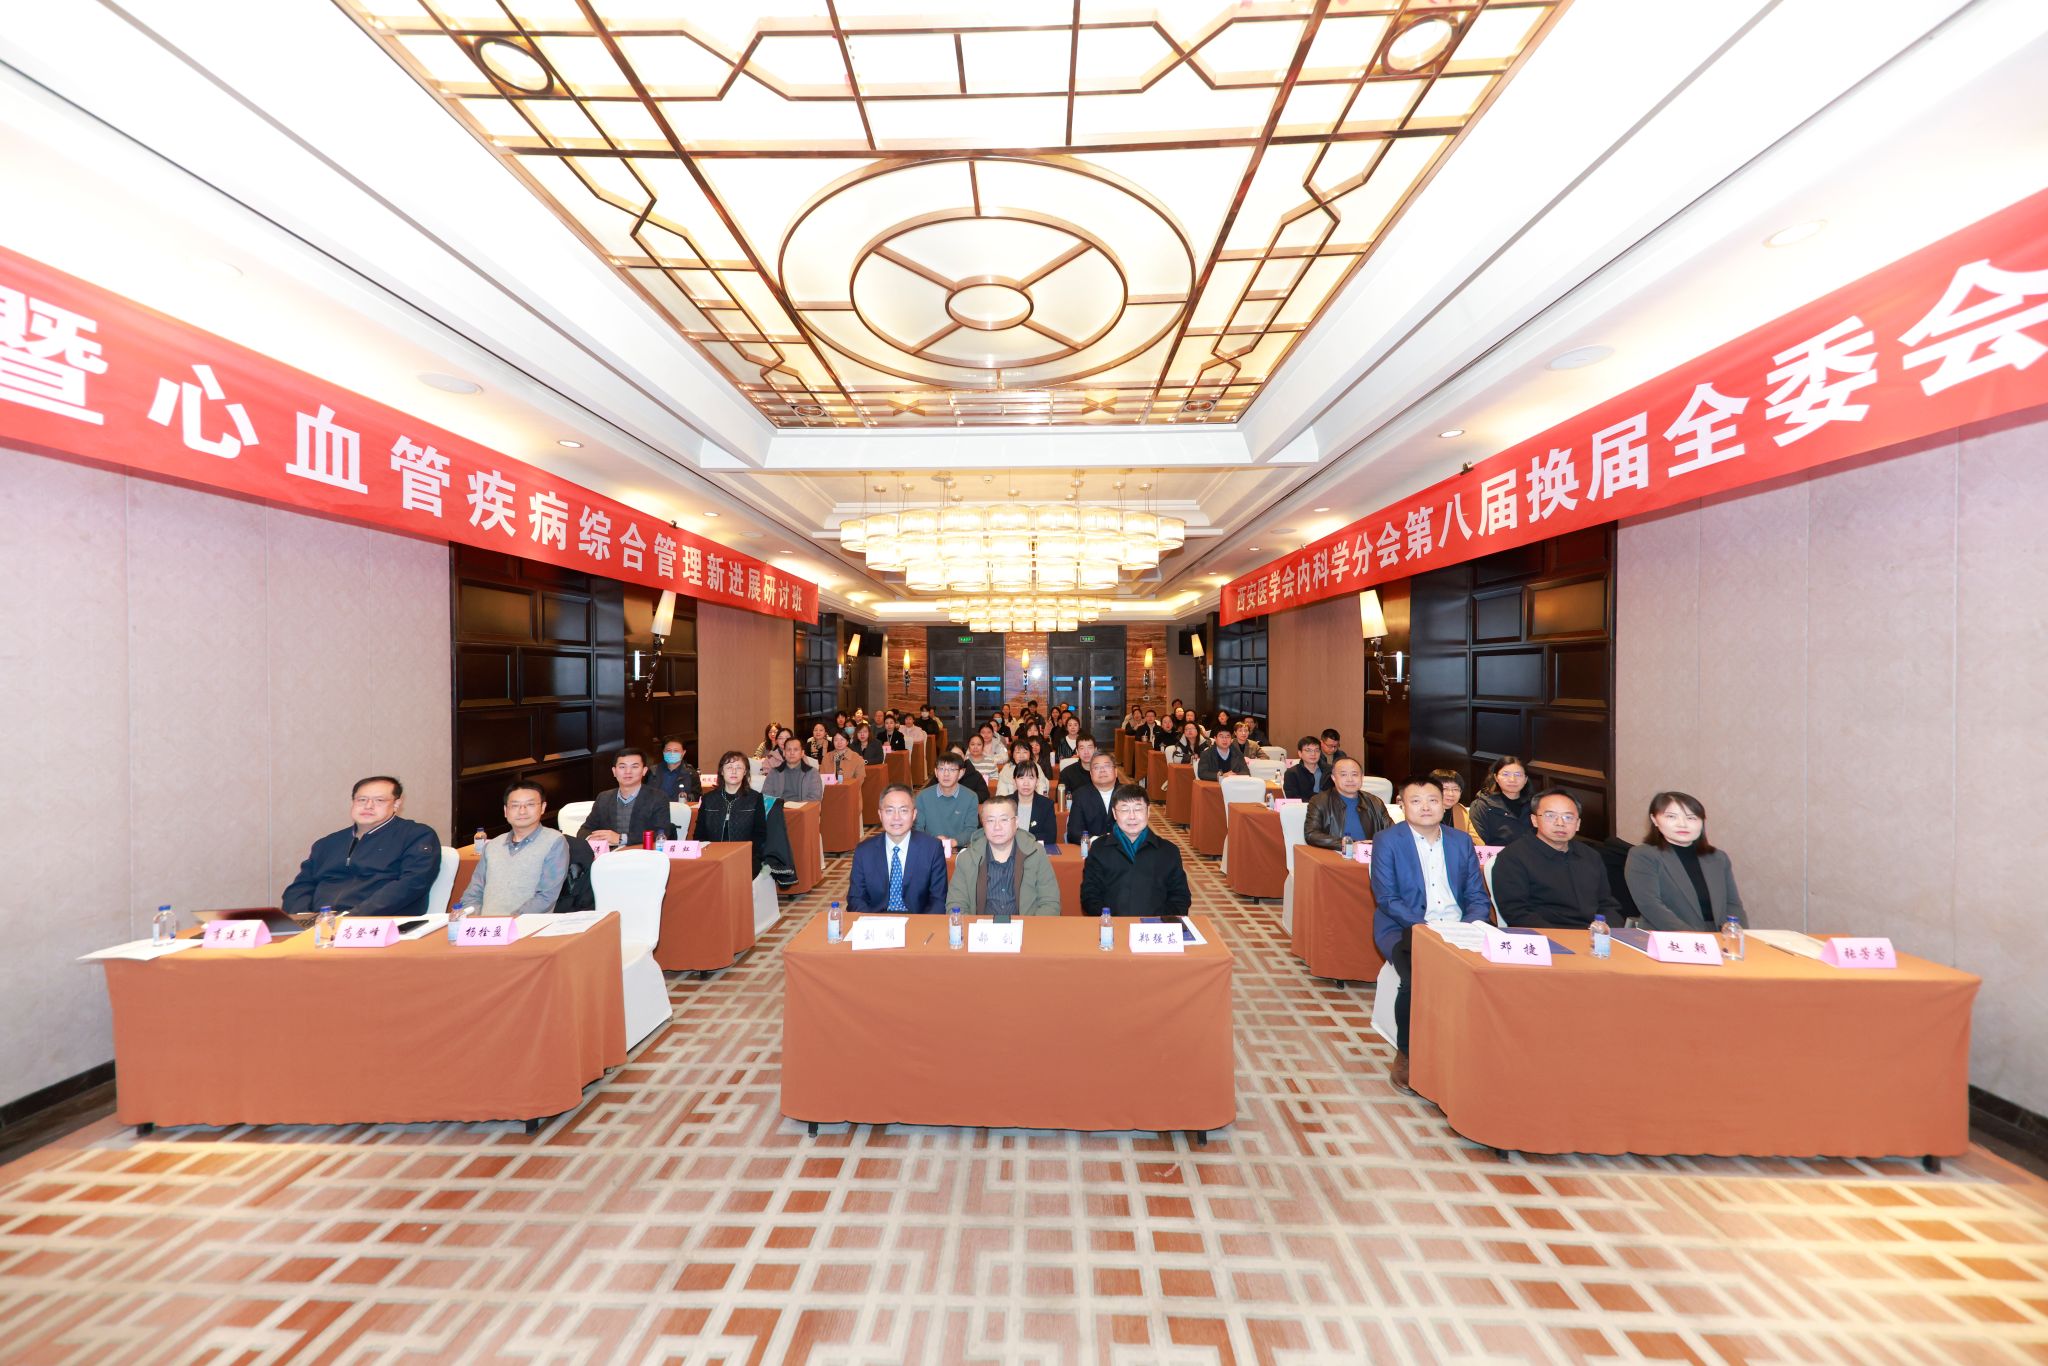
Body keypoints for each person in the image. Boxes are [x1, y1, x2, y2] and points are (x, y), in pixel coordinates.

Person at [1370, 775, 1494, 1093]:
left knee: (1498, 972)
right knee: (1416, 978)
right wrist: (1430, 930)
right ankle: (1407, 1052)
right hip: (1406, 927)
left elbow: (1476, 895)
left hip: (1460, 926)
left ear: (1444, 804)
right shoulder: (1387, 840)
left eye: (1433, 800)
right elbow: (1387, 899)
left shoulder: (1460, 841)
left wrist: (1471, 925)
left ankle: (1483, 1050)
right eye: (1416, 801)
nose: (1425, 807)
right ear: (1402, 805)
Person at [281, 775, 442, 918]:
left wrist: (353, 916)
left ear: (396, 804)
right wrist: (302, 917)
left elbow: (412, 883)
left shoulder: (416, 835)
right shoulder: (327, 843)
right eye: (362, 800)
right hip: (320, 923)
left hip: (378, 922)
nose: (368, 806)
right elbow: (300, 887)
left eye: (379, 800)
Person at [1491, 792, 1618, 930]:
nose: (1560, 823)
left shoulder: (1591, 856)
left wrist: (1607, 929)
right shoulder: (1513, 857)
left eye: (1568, 817)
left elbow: (1607, 904)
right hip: (1546, 935)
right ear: (1534, 820)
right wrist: (1560, 937)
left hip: (1593, 935)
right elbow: (1516, 912)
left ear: (1578, 824)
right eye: (1550, 816)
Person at [1625, 790, 1745, 933]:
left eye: (1691, 818)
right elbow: (1650, 905)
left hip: (1718, 936)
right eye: (1671, 816)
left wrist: (1735, 933)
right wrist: (1691, 936)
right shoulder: (1643, 855)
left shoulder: (1718, 857)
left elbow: (1732, 904)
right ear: (1654, 819)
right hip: (1666, 935)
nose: (1682, 824)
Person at [457, 782, 569, 918]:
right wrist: (476, 918)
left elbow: (546, 896)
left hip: (526, 924)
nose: (522, 811)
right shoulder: (492, 845)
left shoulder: (554, 841)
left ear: (543, 807)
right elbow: (473, 893)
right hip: (487, 925)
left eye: (530, 804)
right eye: (515, 806)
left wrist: (510, 921)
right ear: (505, 811)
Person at [1080, 784, 1192, 918]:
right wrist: (1108, 919)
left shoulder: (1168, 851)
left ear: (1148, 811)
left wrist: (1158, 921)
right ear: (1114, 813)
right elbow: (1090, 895)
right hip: (1112, 925)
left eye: (1138, 809)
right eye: (1124, 809)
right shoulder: (1099, 849)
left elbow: (1180, 898)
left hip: (1154, 927)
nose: (1132, 816)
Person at [946, 794, 1061, 918]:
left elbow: (1050, 903)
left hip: (1027, 927)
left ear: (1016, 822)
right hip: (981, 928)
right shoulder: (967, 858)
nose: (997, 827)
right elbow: (955, 905)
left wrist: (1031, 928)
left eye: (1004, 820)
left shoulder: (1036, 853)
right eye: (990, 820)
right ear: (983, 824)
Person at [849, 784, 948, 913]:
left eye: (903, 810)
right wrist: (871, 922)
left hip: (918, 920)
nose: (896, 818)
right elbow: (856, 898)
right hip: (876, 919)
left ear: (914, 814)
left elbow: (938, 900)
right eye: (889, 811)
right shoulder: (864, 851)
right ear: (880, 814)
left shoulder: (932, 849)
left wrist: (922, 924)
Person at [577, 748, 676, 846]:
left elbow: (661, 833)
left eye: (634, 767)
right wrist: (592, 838)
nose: (628, 771)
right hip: (609, 854)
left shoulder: (658, 798)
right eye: (622, 767)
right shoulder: (603, 798)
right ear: (614, 771)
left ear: (644, 771)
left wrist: (621, 838)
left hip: (642, 853)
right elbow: (585, 830)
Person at [697, 750, 768, 874]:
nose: (734, 771)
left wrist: (749, 855)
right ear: (721, 771)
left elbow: (760, 835)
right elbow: (699, 834)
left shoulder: (755, 798)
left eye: (739, 767)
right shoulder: (708, 799)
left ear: (745, 772)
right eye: (729, 767)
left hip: (745, 856)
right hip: (713, 855)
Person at [1305, 757, 1393, 848]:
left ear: (1362, 777)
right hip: (1336, 854)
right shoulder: (1319, 801)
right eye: (1343, 775)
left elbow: (1393, 832)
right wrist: (1347, 845)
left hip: (1370, 854)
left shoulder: (1375, 802)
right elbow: (1311, 835)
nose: (1350, 779)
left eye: (1354, 774)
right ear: (1333, 778)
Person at [915, 753, 982, 846]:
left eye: (952, 769)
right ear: (936, 772)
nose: (946, 774)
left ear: (961, 773)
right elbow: (917, 828)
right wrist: (932, 842)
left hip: (958, 847)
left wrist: (952, 842)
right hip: (929, 846)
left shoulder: (971, 797)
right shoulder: (922, 796)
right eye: (941, 769)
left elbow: (971, 829)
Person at [1469, 755, 1536, 847]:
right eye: (1505, 774)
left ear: (1525, 779)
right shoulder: (1482, 806)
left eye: (1518, 775)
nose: (1512, 780)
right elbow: (1479, 843)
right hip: (1496, 855)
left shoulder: (1536, 805)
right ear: (1496, 777)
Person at [1065, 751, 1121, 844]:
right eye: (1097, 767)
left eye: (1107, 766)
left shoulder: (1129, 794)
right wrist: (1095, 841)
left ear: (1115, 772)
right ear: (1091, 774)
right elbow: (1074, 832)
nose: (1102, 770)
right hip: (1092, 848)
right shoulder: (1080, 795)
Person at [761, 735, 823, 803]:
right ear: (784, 752)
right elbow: (766, 796)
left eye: (795, 749)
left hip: (803, 808)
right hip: (779, 808)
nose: (792, 753)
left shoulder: (812, 772)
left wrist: (797, 806)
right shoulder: (774, 772)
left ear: (802, 753)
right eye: (789, 749)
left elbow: (815, 798)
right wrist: (780, 806)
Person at [1010, 764, 1059, 847]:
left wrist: (1022, 839)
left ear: (1037, 781)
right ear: (1014, 781)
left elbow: (1050, 837)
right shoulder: (1005, 804)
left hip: (1035, 850)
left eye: (1031, 778)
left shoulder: (1046, 805)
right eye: (1021, 778)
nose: (1026, 783)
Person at [1429, 767, 1475, 838]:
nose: (1451, 794)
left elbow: (1475, 840)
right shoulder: (1423, 811)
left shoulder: (1462, 811)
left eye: (1455, 789)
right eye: (1445, 788)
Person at [1283, 735, 1330, 800]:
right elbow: (1293, 798)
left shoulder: (1329, 771)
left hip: (1327, 806)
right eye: (1308, 750)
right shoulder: (1292, 773)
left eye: (1317, 750)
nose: (1313, 754)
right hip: (1303, 806)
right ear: (1300, 753)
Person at [653, 739, 698, 803]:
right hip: (656, 808)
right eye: (668, 750)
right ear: (663, 752)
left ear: (683, 753)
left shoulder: (691, 773)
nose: (672, 753)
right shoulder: (653, 771)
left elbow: (697, 795)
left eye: (676, 751)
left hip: (680, 808)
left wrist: (687, 798)